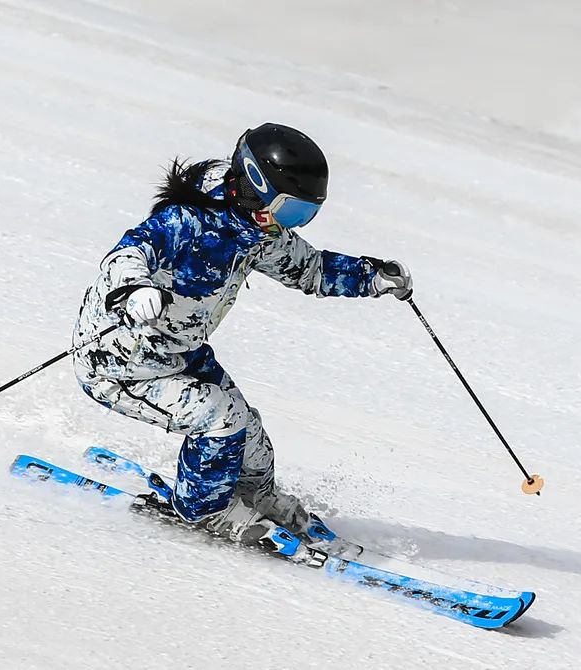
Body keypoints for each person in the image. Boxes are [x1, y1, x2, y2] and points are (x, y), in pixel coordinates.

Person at [73, 123, 412, 547]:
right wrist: (133, 289)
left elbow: (311, 268)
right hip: (121, 360)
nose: (290, 225)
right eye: (291, 211)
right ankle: (206, 510)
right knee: (218, 417)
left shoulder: (256, 229)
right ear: (254, 182)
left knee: (248, 431)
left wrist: (371, 277)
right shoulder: (189, 221)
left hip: (182, 350)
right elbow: (130, 251)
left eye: (304, 215)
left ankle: (256, 495)